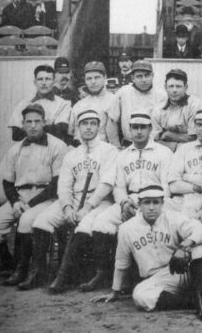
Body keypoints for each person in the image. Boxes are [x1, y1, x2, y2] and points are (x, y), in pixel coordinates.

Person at [91, 185, 202, 320]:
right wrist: (115, 291)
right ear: (139, 205)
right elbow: (122, 261)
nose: (151, 207)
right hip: (156, 279)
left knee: (199, 247)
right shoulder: (126, 229)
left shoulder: (173, 218)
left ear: (162, 203)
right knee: (140, 296)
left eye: (156, 202)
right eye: (147, 202)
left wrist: (184, 245)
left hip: (181, 270)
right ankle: (194, 301)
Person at [83, 111, 173, 292]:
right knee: (101, 221)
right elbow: (118, 186)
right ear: (129, 130)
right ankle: (103, 272)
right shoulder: (122, 155)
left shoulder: (164, 153)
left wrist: (147, 205)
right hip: (130, 198)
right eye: (135, 127)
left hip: (154, 201)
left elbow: (166, 186)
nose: (139, 132)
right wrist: (124, 203)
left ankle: (136, 276)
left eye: (143, 127)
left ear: (150, 129)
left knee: (139, 225)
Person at [33, 110, 119, 293]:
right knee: (41, 221)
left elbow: (107, 183)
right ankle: (39, 273)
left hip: (100, 201)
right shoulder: (72, 154)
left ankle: (64, 276)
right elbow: (64, 185)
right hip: (74, 200)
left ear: (99, 126)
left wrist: (87, 207)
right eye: (84, 123)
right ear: (78, 127)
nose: (88, 127)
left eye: (93, 123)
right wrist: (66, 207)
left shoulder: (109, 150)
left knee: (84, 227)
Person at [0, 104, 68, 286]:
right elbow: (7, 181)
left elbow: (56, 183)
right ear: (23, 124)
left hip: (47, 197)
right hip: (21, 196)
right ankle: (8, 261)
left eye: (37, 121)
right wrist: (15, 202)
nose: (33, 126)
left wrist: (29, 205)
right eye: (29, 122)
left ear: (44, 122)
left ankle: (23, 269)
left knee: (25, 220)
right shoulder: (15, 149)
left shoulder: (57, 146)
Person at [165, 109, 202, 218]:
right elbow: (173, 186)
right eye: (199, 125)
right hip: (186, 198)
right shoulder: (184, 149)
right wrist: (195, 187)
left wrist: (186, 177)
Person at [106, 60, 166, 149]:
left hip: (155, 146)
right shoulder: (123, 92)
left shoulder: (162, 95)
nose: (144, 80)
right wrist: (116, 148)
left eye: (147, 75)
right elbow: (112, 122)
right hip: (128, 145)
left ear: (152, 76)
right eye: (139, 76)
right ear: (132, 78)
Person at [8, 64, 72, 143]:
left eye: (48, 79)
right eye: (40, 79)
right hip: (27, 149)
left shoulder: (64, 104)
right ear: (35, 82)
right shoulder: (23, 104)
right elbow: (16, 135)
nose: (44, 83)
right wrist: (48, 126)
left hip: (52, 148)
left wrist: (28, 126)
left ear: (54, 82)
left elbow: (59, 132)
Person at [151, 69, 202, 152]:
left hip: (191, 151)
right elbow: (155, 139)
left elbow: (195, 137)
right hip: (164, 152)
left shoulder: (195, 105)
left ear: (186, 87)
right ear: (165, 87)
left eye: (178, 86)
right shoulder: (158, 108)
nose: (174, 90)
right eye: (171, 86)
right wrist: (175, 145)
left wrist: (168, 135)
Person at [69, 61, 115, 145]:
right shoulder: (79, 105)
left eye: (97, 77)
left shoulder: (114, 100)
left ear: (105, 77)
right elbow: (73, 133)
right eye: (89, 78)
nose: (93, 82)